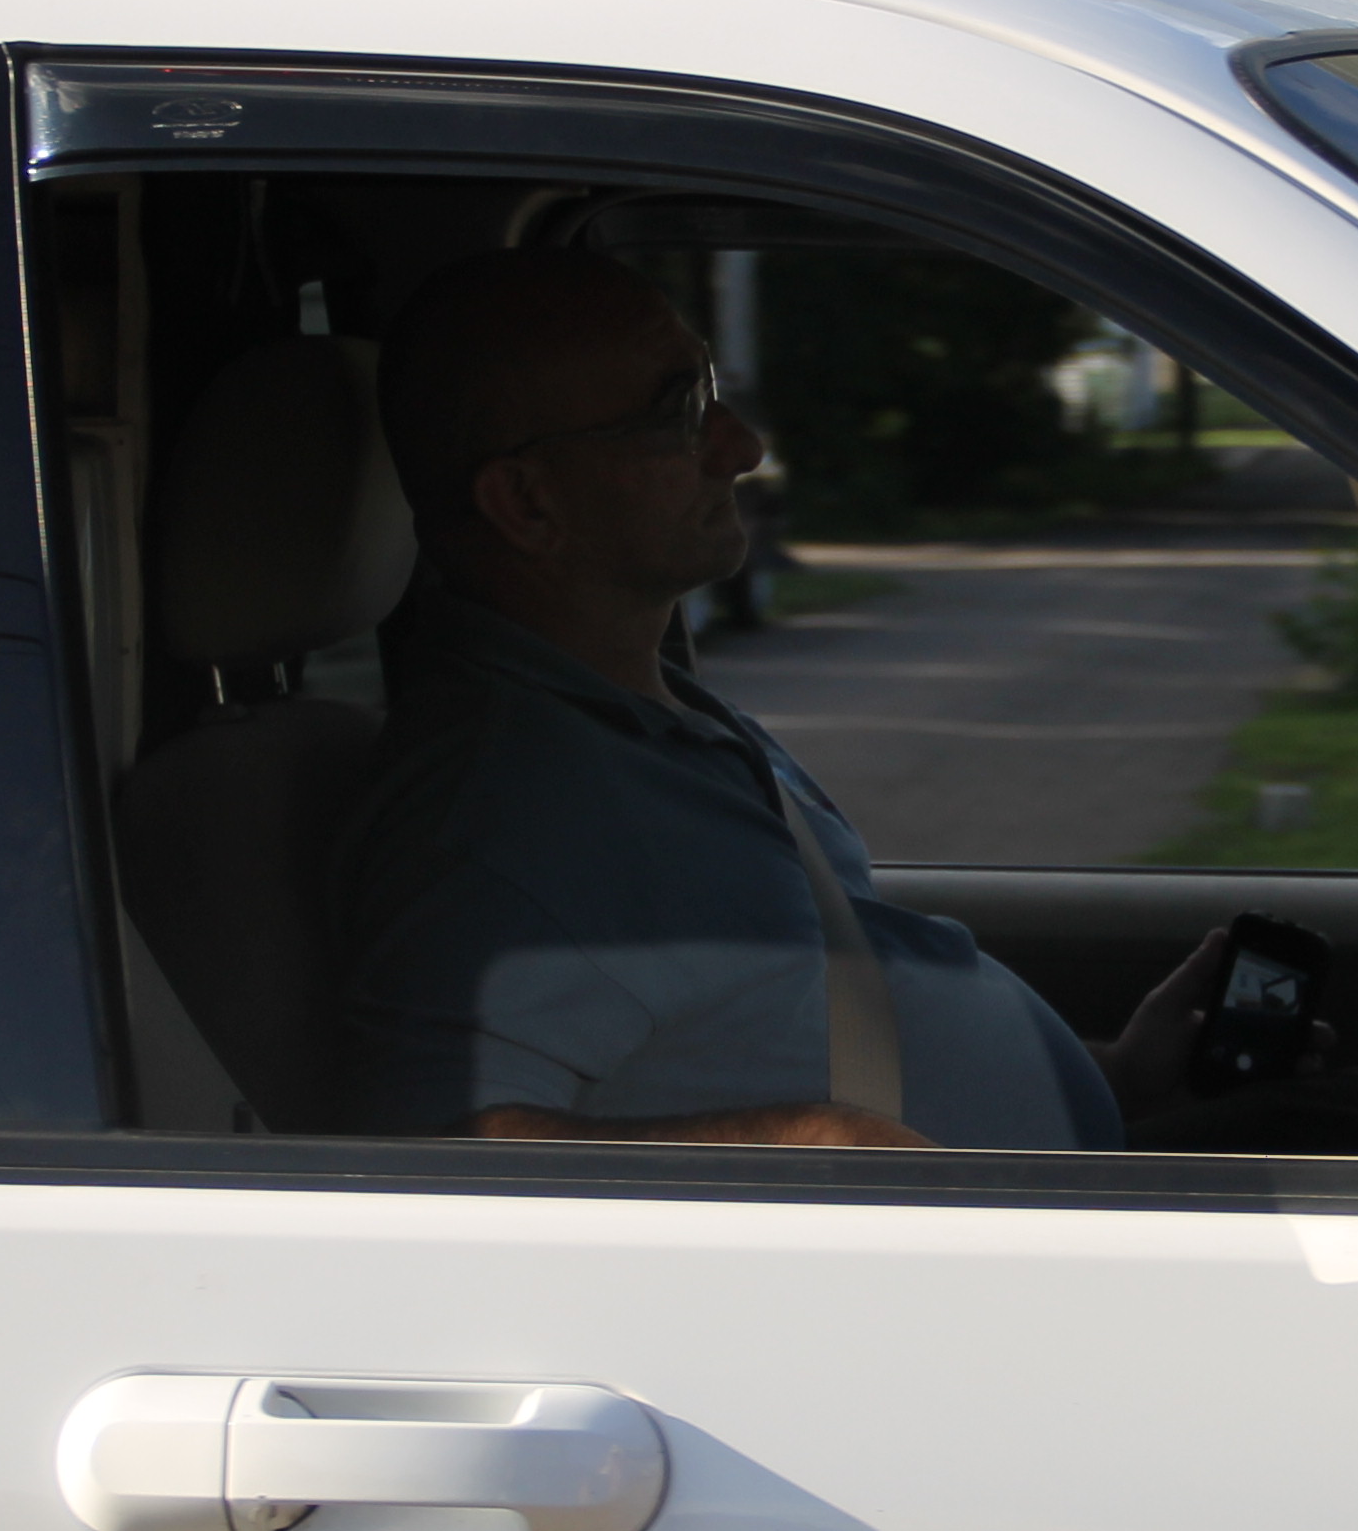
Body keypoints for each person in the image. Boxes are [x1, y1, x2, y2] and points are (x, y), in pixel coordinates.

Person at [323, 249, 1234, 1149]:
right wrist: (803, 1146)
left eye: (710, 389)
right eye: (679, 413)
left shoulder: (650, 723)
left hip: (1036, 1195)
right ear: (527, 503)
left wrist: (1112, 1081)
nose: (742, 448)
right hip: (930, 1239)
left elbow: (783, 1018)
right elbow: (421, 1149)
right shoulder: (500, 809)